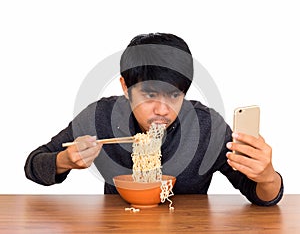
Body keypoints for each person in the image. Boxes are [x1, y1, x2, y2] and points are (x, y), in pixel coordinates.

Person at [25, 33, 283, 206]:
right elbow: (34, 165)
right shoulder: (99, 118)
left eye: (174, 95)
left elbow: (260, 195)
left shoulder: (207, 127)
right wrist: (63, 161)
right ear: (126, 87)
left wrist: (268, 177)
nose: (162, 109)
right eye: (149, 94)